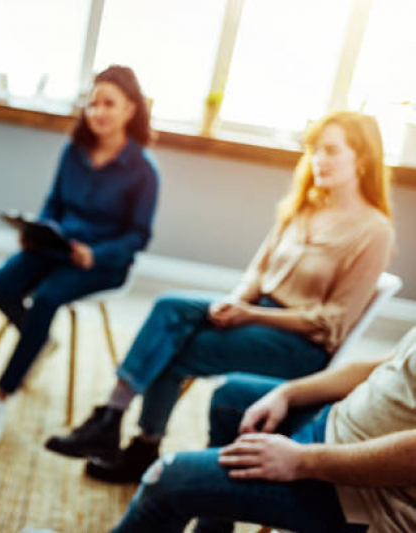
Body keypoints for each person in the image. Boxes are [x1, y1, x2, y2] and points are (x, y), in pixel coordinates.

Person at [45, 111, 395, 483]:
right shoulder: (304, 207)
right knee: (169, 308)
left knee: (174, 349)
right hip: (255, 311)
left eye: (330, 150)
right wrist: (235, 301)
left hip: (299, 344)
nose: (318, 160)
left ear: (362, 159)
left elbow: (332, 321)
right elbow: (258, 271)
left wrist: (252, 315)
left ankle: (138, 444)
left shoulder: (374, 231)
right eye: (313, 150)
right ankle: (112, 419)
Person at [0, 65, 161, 448]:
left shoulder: (144, 171)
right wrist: (37, 230)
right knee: (1, 283)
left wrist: (97, 253)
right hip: (57, 247)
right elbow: (53, 203)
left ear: (130, 110)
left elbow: (138, 236)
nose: (98, 112)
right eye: (92, 104)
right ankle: (37, 340)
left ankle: (0, 396)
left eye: (109, 104)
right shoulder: (74, 151)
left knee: (47, 297)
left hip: (104, 265)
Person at [112, 326, 416, 533]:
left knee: (167, 479)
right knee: (230, 398)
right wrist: (288, 393)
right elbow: (385, 366)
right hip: (333, 423)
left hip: (370, 496)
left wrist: (302, 461)